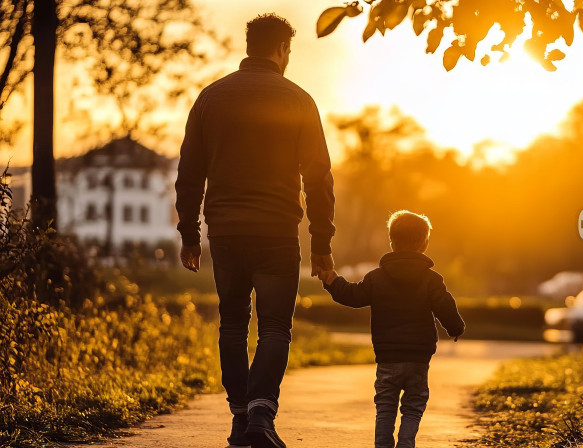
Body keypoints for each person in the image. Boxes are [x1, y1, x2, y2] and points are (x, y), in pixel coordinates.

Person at [175, 13, 335, 448]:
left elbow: (190, 172)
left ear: (249, 46)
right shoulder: (298, 100)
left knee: (231, 323)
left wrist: (189, 233)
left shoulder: (211, 98)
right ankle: (261, 415)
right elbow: (318, 177)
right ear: (283, 50)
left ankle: (240, 417)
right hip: (277, 233)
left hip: (225, 232)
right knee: (275, 327)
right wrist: (321, 242)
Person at [319, 210, 465, 448]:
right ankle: (406, 443)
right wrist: (455, 328)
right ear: (424, 243)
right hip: (419, 357)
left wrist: (332, 280)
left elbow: (353, 296)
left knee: (385, 405)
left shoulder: (377, 278)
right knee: (414, 404)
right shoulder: (432, 280)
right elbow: (445, 307)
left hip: (387, 357)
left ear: (391, 241)